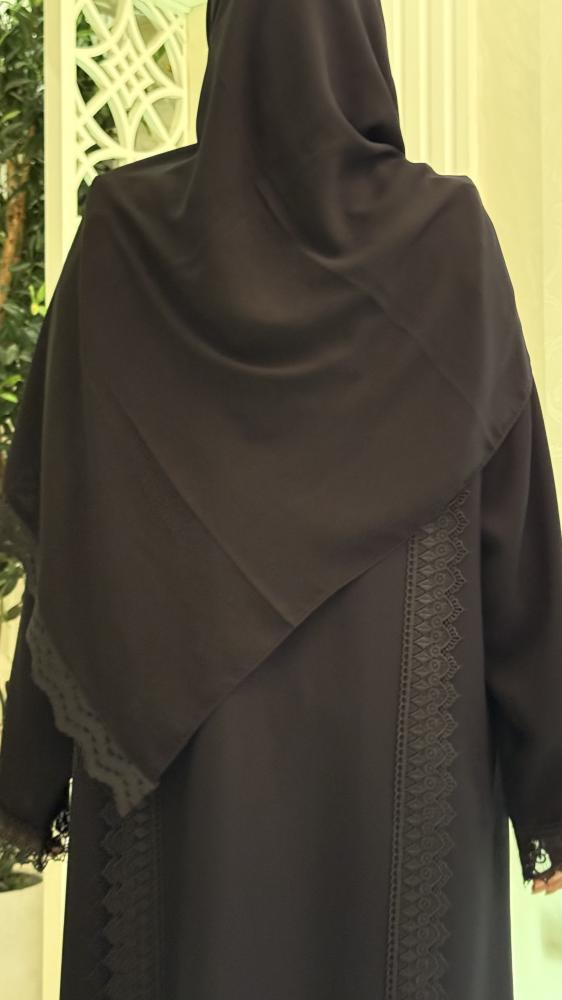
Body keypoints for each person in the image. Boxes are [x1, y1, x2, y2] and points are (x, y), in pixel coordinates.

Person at [1, 1, 561, 997]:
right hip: (393, 800)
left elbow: (67, 554)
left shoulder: (124, 244)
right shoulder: (446, 249)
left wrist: (23, 779)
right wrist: (550, 786)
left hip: (185, 811)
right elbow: (518, 547)